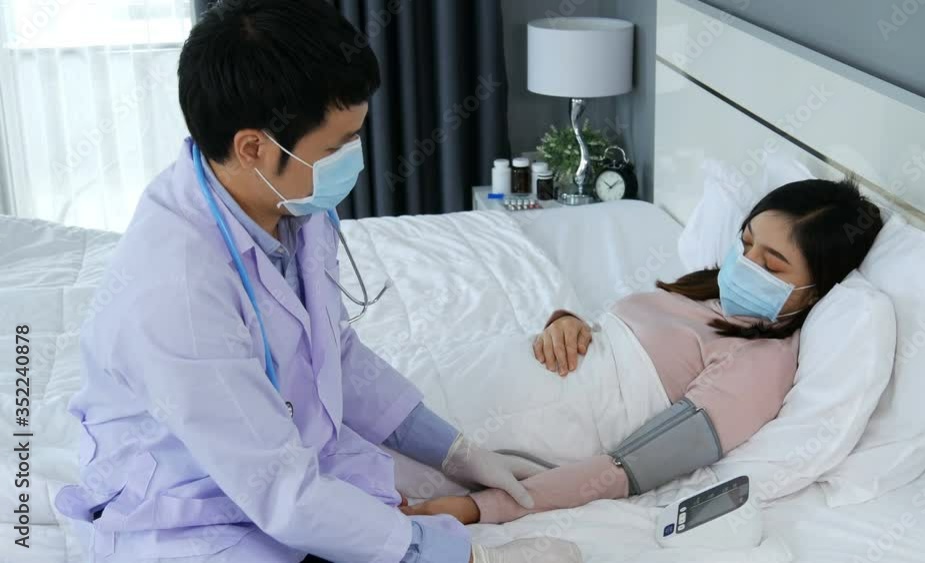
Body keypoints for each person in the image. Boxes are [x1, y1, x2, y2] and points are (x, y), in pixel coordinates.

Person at [53, 1, 583, 562]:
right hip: (186, 501)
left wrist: (455, 451)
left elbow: (331, 352)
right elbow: (283, 494)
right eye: (335, 147)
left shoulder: (290, 205)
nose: (353, 160)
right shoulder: (176, 290)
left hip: (278, 458)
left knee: (376, 512)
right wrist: (467, 557)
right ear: (252, 147)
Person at [401, 178, 885, 525]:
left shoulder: (760, 364)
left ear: (816, 290)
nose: (744, 264)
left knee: (380, 446)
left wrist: (481, 509)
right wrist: (566, 322)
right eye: (745, 242)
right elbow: (615, 334)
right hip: (492, 365)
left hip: (526, 420)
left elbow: (627, 469)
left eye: (772, 266)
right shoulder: (705, 292)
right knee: (376, 397)